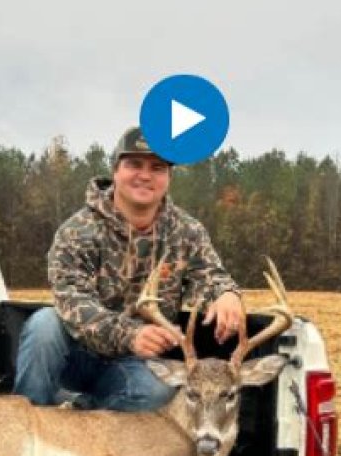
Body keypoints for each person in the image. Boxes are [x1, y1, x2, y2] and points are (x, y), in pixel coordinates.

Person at [14, 126, 244, 411]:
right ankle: (25, 419)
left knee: (156, 392)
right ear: (115, 171)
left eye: (157, 168)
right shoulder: (77, 231)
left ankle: (79, 412)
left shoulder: (186, 232)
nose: (145, 175)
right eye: (134, 164)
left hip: (133, 364)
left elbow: (210, 276)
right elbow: (72, 301)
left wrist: (226, 294)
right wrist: (130, 335)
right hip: (77, 353)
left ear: (168, 177)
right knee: (44, 325)